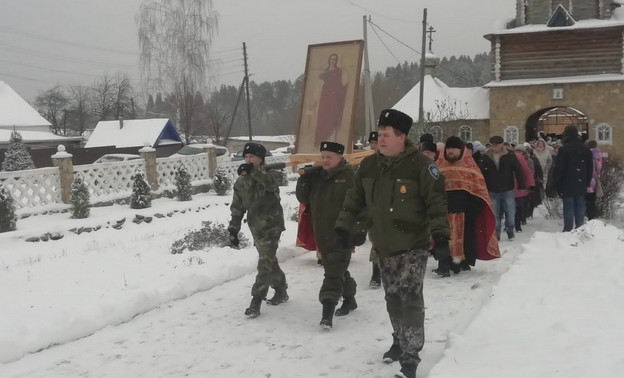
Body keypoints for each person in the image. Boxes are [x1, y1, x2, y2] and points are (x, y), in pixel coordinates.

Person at [335, 109, 450, 378]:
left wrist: (442, 234)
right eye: (379, 134)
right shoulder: (369, 166)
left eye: (387, 135)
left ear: (402, 137)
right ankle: (399, 340)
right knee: (392, 298)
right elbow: (354, 200)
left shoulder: (420, 166)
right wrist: (345, 227)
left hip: (413, 244)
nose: (380, 139)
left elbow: (437, 201)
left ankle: (410, 360)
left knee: (409, 299)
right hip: (384, 245)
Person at [296, 141, 360, 329]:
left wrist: (357, 229)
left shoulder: (349, 176)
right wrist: (304, 179)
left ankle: (327, 312)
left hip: (342, 233)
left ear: (340, 157)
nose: (324, 160)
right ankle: (350, 298)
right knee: (336, 269)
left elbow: (359, 204)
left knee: (332, 273)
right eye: (322, 156)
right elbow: (303, 198)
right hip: (322, 233)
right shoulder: (318, 176)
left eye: (329, 157)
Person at [228, 142, 288, 318]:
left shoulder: (271, 174)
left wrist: (255, 171)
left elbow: (272, 184)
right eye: (246, 157)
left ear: (260, 159)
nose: (248, 160)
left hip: (272, 226)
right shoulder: (241, 181)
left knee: (264, 262)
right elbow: (237, 206)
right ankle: (281, 289)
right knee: (269, 261)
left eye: (252, 157)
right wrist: (233, 227)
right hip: (256, 227)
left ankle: (256, 300)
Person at [435, 136, 500, 276]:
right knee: (443, 238)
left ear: (461, 150)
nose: (450, 151)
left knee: (464, 239)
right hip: (444, 209)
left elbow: (479, 190)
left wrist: (472, 207)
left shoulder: (470, 167)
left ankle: (461, 262)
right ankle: (444, 265)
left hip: (465, 211)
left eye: (454, 148)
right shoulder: (440, 166)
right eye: (449, 148)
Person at [480, 136, 526, 241]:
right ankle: (497, 233)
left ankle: (510, 229)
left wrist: (521, 185)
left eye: (496, 145)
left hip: (507, 189)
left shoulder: (509, 155)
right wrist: (482, 187)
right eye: (492, 145)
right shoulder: (486, 156)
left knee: (510, 213)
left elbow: (518, 170)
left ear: (501, 145)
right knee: (495, 214)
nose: (494, 147)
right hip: (492, 189)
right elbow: (481, 173)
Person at [554, 125, 593, 232]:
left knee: (568, 208)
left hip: (567, 183)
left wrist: (557, 183)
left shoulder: (564, 149)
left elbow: (559, 168)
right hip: (581, 182)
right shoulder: (585, 149)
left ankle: (568, 230)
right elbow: (590, 168)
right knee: (580, 206)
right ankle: (580, 228)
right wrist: (587, 182)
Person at [313, 53, 348, 145]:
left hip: (334, 98)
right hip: (325, 97)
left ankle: (331, 138)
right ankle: (321, 139)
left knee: (332, 117)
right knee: (323, 117)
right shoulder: (325, 72)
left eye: (334, 59)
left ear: (336, 61)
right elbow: (320, 83)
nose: (332, 61)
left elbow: (343, 83)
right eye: (331, 59)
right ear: (329, 60)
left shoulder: (339, 71)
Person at [366, 131, 382, 287]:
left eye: (375, 142)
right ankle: (376, 275)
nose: (373, 145)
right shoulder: (369, 162)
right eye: (371, 142)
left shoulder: (393, 160)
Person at [585, 140, 603, 220]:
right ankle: (592, 216)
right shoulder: (598, 153)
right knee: (592, 200)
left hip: (587, 178)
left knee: (586, 199)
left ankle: (587, 215)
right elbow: (598, 166)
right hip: (594, 179)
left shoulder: (587, 153)